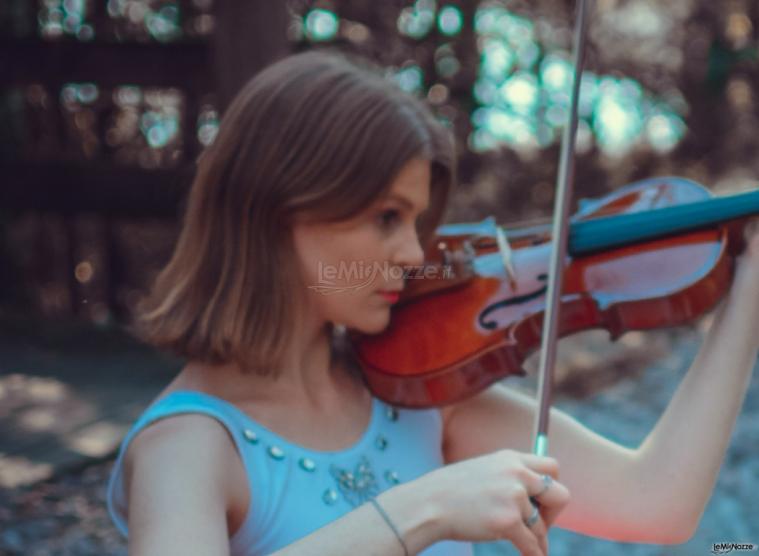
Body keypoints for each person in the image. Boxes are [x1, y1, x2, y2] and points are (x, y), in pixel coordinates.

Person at [106, 49, 759, 556]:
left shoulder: (411, 394)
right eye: (385, 218)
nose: (414, 255)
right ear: (277, 211)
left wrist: (749, 288)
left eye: (415, 222)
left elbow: (657, 504)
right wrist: (424, 510)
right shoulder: (188, 446)